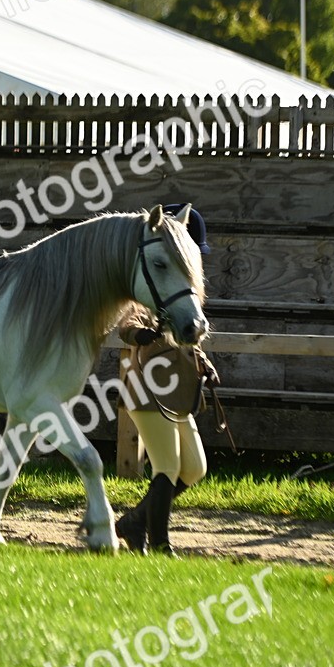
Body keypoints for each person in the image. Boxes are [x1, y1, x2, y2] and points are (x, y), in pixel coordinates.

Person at [114, 203, 219, 556]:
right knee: (167, 467)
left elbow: (185, 340)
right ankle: (160, 544)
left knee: (195, 468)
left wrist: (202, 360)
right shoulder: (147, 284)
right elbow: (125, 326)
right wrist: (141, 335)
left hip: (178, 389)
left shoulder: (182, 294)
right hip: (148, 389)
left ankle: (134, 522)